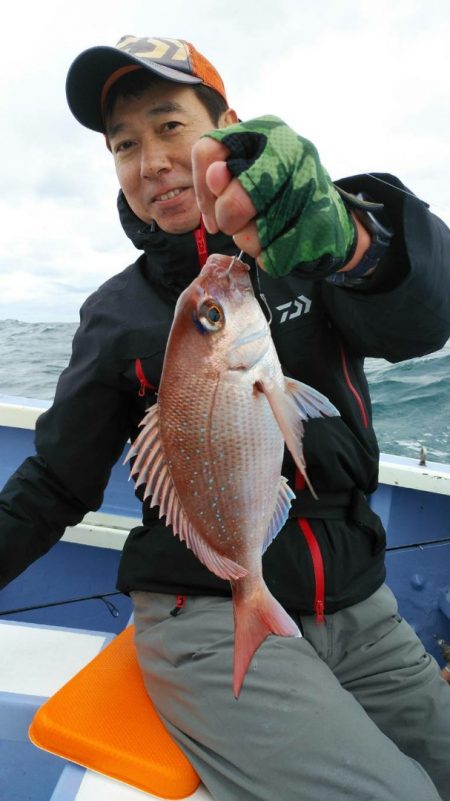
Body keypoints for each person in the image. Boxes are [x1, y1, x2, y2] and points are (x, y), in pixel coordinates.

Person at [1, 34, 450, 801]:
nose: (150, 161)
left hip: (361, 603)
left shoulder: (314, 244)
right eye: (124, 144)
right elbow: (56, 480)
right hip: (201, 608)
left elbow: (422, 318)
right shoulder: (115, 313)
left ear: (227, 128)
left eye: (170, 124)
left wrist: (358, 242)